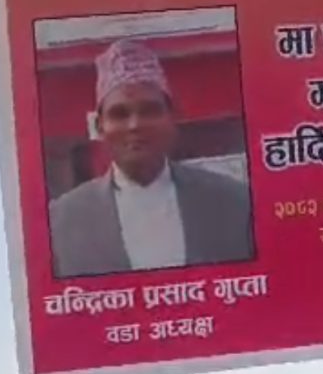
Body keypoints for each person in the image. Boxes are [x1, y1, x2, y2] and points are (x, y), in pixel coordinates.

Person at [50, 38, 254, 277]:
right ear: (99, 127)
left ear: (174, 117)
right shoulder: (61, 221)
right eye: (120, 114)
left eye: (149, 110)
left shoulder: (233, 202)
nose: (135, 125)